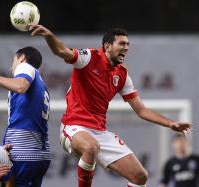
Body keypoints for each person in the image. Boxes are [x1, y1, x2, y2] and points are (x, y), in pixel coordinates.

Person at [29, 24, 192, 187]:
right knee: (91, 147)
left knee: (140, 176)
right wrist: (49, 35)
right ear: (107, 46)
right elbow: (61, 51)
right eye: (121, 44)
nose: (126, 48)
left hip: (99, 132)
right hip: (74, 127)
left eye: (127, 44)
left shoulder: (122, 75)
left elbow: (141, 110)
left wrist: (171, 124)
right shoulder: (89, 57)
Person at [0, 46, 51, 187]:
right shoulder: (41, 82)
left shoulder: (25, 67)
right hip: (42, 151)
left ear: (21, 58)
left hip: (23, 148)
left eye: (13, 61)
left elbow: (20, 86)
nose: (11, 68)